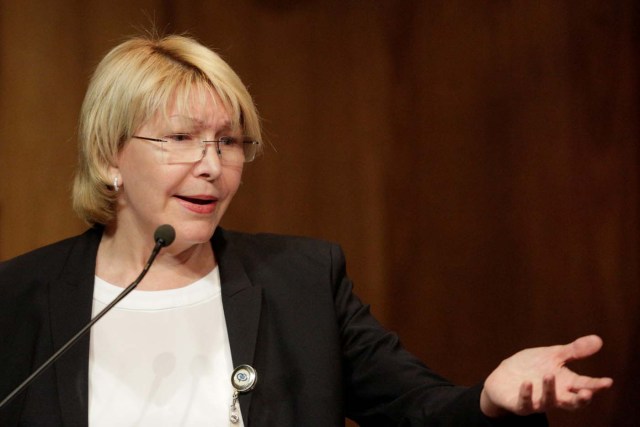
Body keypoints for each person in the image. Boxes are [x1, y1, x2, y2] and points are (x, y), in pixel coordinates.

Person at [0, 34, 612, 426]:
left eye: (230, 142)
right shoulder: (19, 298)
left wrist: (487, 397)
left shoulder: (302, 282)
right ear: (109, 156)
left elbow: (418, 408)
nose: (211, 166)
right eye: (181, 139)